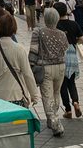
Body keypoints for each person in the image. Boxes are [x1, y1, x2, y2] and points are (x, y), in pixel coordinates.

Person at [0, 14, 38, 107]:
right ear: (14, 29)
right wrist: (34, 95)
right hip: (15, 95)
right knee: (17, 121)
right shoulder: (20, 49)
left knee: (0, 122)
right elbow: (27, 74)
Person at [29, 8, 69, 136]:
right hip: (61, 66)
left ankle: (55, 122)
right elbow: (65, 49)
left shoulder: (38, 31)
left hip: (45, 68)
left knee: (47, 95)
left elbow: (33, 51)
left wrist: (30, 66)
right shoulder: (62, 34)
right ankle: (52, 118)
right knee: (56, 93)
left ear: (45, 19)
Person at [56, 3, 83, 119]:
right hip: (72, 55)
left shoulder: (55, 26)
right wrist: (74, 43)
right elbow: (81, 39)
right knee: (71, 82)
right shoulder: (73, 24)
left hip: (61, 56)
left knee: (63, 85)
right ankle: (76, 102)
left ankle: (68, 110)